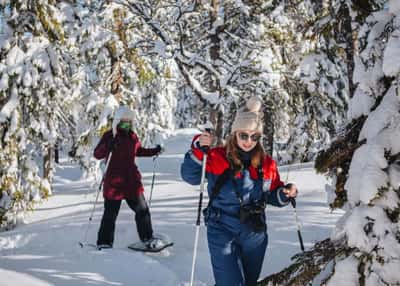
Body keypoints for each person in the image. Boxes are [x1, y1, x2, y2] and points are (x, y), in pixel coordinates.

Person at [181, 96, 298, 286]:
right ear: (234, 134)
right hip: (222, 227)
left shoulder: (266, 163)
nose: (248, 141)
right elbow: (190, 176)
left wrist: (284, 193)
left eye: (255, 136)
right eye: (243, 135)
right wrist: (197, 150)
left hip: (255, 232)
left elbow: (272, 194)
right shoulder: (216, 157)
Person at [94, 105, 162, 249]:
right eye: (124, 121)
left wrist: (154, 151)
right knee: (110, 216)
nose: (127, 124)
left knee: (142, 210)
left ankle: (147, 239)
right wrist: (108, 146)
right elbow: (97, 154)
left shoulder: (132, 137)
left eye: (129, 121)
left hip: (131, 182)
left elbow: (138, 151)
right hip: (114, 184)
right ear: (117, 121)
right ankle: (104, 243)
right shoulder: (109, 136)